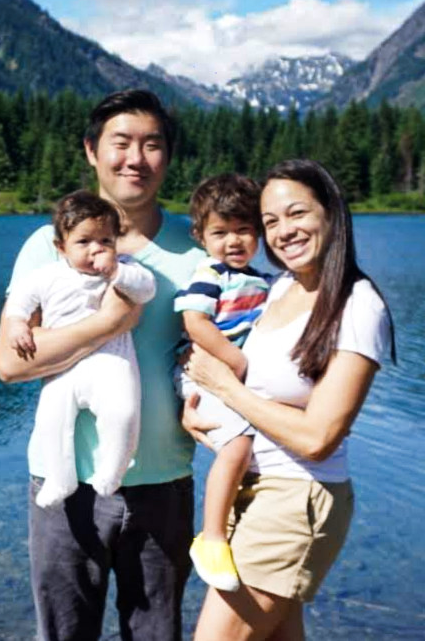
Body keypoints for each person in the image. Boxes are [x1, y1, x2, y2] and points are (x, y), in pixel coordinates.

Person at [0, 89, 203, 641]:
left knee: (157, 633)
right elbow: (9, 366)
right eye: (121, 143)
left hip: (165, 483)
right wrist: (106, 326)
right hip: (66, 487)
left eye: (152, 144)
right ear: (91, 151)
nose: (136, 159)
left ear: (168, 156)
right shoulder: (51, 244)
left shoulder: (198, 244)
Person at [182, 158, 396, 641]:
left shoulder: (357, 305)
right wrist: (198, 409)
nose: (283, 232)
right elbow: (242, 373)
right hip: (253, 490)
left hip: (297, 495)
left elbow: (318, 437)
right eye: (271, 221)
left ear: (331, 213)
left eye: (297, 214)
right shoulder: (278, 288)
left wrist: (226, 389)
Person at [4, 190, 157, 508]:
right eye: (84, 242)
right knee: (51, 420)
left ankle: (112, 471)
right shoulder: (47, 276)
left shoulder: (123, 270)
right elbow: (19, 303)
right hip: (63, 367)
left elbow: (146, 290)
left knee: (123, 411)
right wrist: (19, 325)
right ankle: (60, 479)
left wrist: (118, 272)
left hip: (111, 359)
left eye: (105, 241)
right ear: (61, 247)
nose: (96, 250)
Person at [172, 174, 271, 592]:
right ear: (200, 236)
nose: (233, 241)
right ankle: (211, 538)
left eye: (244, 230)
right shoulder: (210, 273)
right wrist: (235, 360)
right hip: (199, 372)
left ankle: (239, 517)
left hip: (226, 376)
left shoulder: (261, 279)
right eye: (220, 232)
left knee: (248, 447)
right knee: (236, 445)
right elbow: (194, 322)